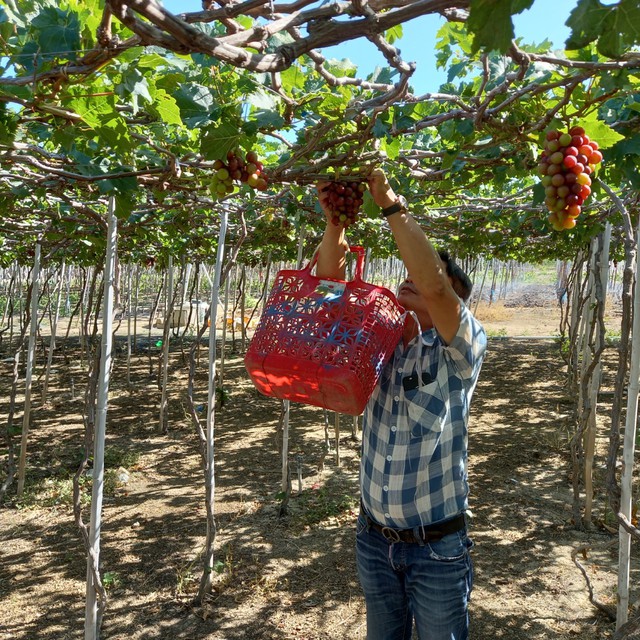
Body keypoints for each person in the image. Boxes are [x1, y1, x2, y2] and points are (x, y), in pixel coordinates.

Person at [315, 169, 487, 640]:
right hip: (374, 541)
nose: (410, 277)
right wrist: (336, 225)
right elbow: (326, 287)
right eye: (407, 271)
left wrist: (390, 203)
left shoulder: (461, 349)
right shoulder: (378, 339)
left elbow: (434, 285)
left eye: (427, 273)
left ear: (455, 298)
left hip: (436, 550)